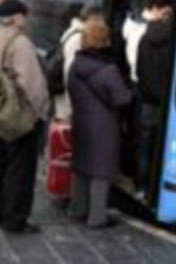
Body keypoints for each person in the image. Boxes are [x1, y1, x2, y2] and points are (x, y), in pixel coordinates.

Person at [0, 0, 49, 234]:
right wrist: (40, 112)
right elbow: (33, 84)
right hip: (17, 116)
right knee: (20, 169)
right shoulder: (20, 43)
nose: (26, 21)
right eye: (24, 16)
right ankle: (14, 219)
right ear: (16, 18)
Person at [67, 21, 131, 228]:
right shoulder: (108, 70)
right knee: (101, 172)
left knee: (82, 166)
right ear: (105, 41)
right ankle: (97, 217)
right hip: (105, 126)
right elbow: (122, 99)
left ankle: (78, 209)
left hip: (81, 121)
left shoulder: (75, 66)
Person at [136, 0, 174, 191]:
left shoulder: (144, 37)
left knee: (145, 145)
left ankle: (141, 186)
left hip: (147, 99)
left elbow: (139, 69)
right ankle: (155, 185)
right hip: (165, 101)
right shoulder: (174, 41)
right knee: (162, 144)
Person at [54, 4, 103, 122]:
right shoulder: (78, 38)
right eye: (99, 21)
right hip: (68, 106)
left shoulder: (73, 32)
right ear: (92, 19)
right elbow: (69, 72)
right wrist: (73, 105)